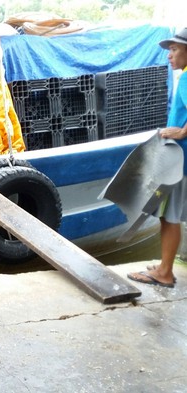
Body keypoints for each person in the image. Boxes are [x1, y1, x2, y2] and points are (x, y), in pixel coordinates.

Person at [127, 28, 187, 288]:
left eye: (174, 49)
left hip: (180, 161)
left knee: (169, 215)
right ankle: (165, 263)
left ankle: (164, 272)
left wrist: (183, 130)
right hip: (180, 159)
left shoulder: (186, 79)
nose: (169, 55)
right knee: (169, 213)